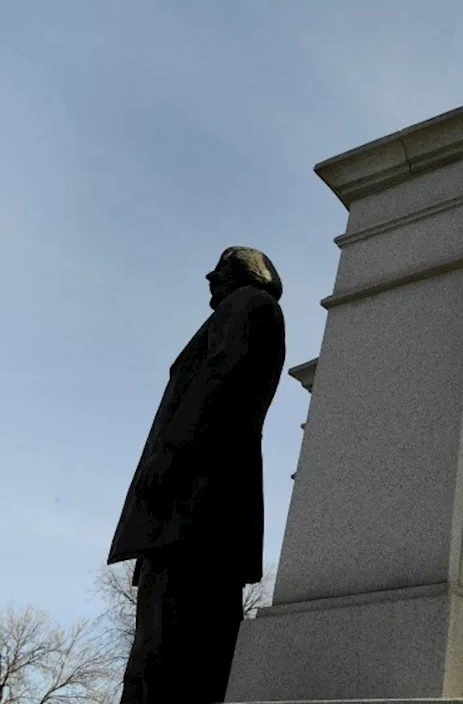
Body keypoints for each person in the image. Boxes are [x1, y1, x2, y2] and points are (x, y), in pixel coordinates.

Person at [107, 246, 287, 704]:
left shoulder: (248, 305)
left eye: (223, 268)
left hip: (194, 506)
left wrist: (168, 458)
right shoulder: (245, 311)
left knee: (167, 653)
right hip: (194, 509)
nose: (210, 276)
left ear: (249, 275)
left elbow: (219, 384)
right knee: (167, 648)